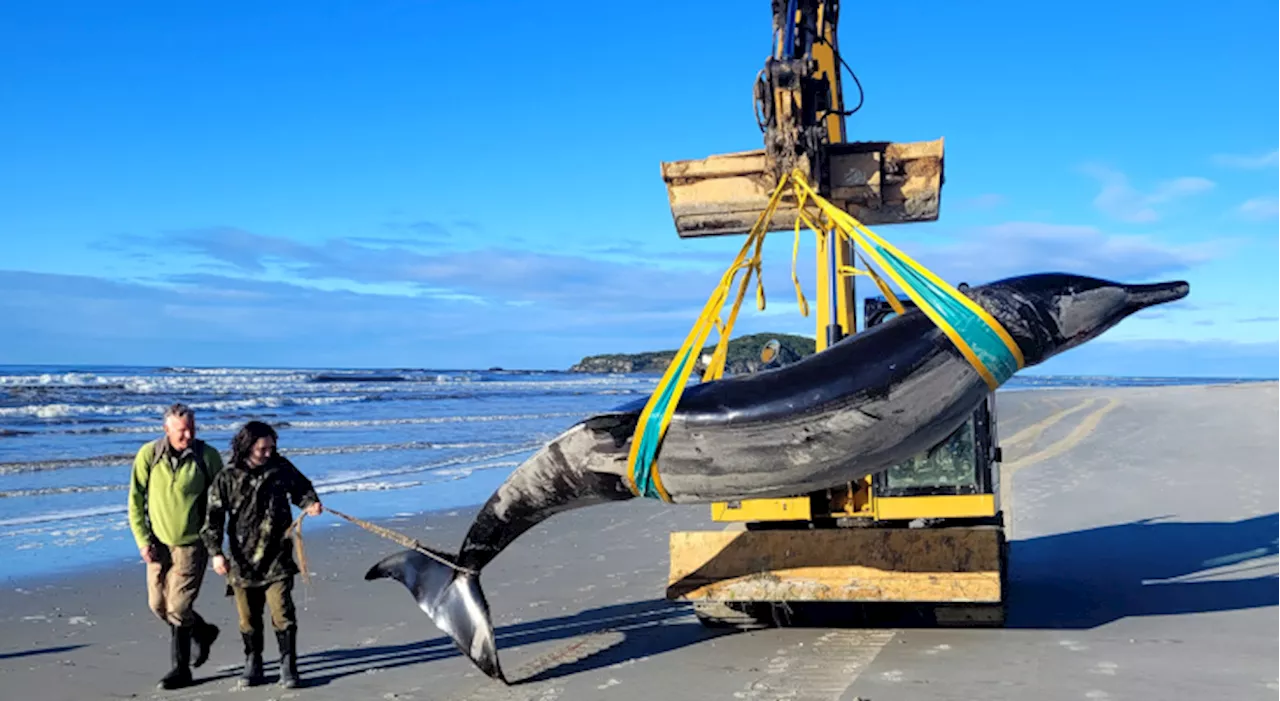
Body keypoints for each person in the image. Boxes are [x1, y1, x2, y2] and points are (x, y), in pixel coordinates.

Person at [201, 420, 322, 689]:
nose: (268, 452)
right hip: (242, 560)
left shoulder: (280, 467)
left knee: (282, 612)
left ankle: (288, 666)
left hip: (277, 555)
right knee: (248, 617)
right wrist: (216, 553)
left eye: (271, 447)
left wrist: (310, 502)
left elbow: (301, 488)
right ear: (247, 446)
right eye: (263, 448)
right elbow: (213, 518)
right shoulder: (227, 476)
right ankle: (253, 661)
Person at [127, 402, 224, 690]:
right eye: (181, 430)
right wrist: (143, 540)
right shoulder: (149, 454)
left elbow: (219, 502)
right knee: (158, 605)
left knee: (179, 607)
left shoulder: (207, 456)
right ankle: (204, 631)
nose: (188, 434)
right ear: (166, 429)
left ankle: (180, 670)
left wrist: (215, 544)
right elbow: (135, 500)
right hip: (157, 544)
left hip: (192, 544)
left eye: (192, 428)